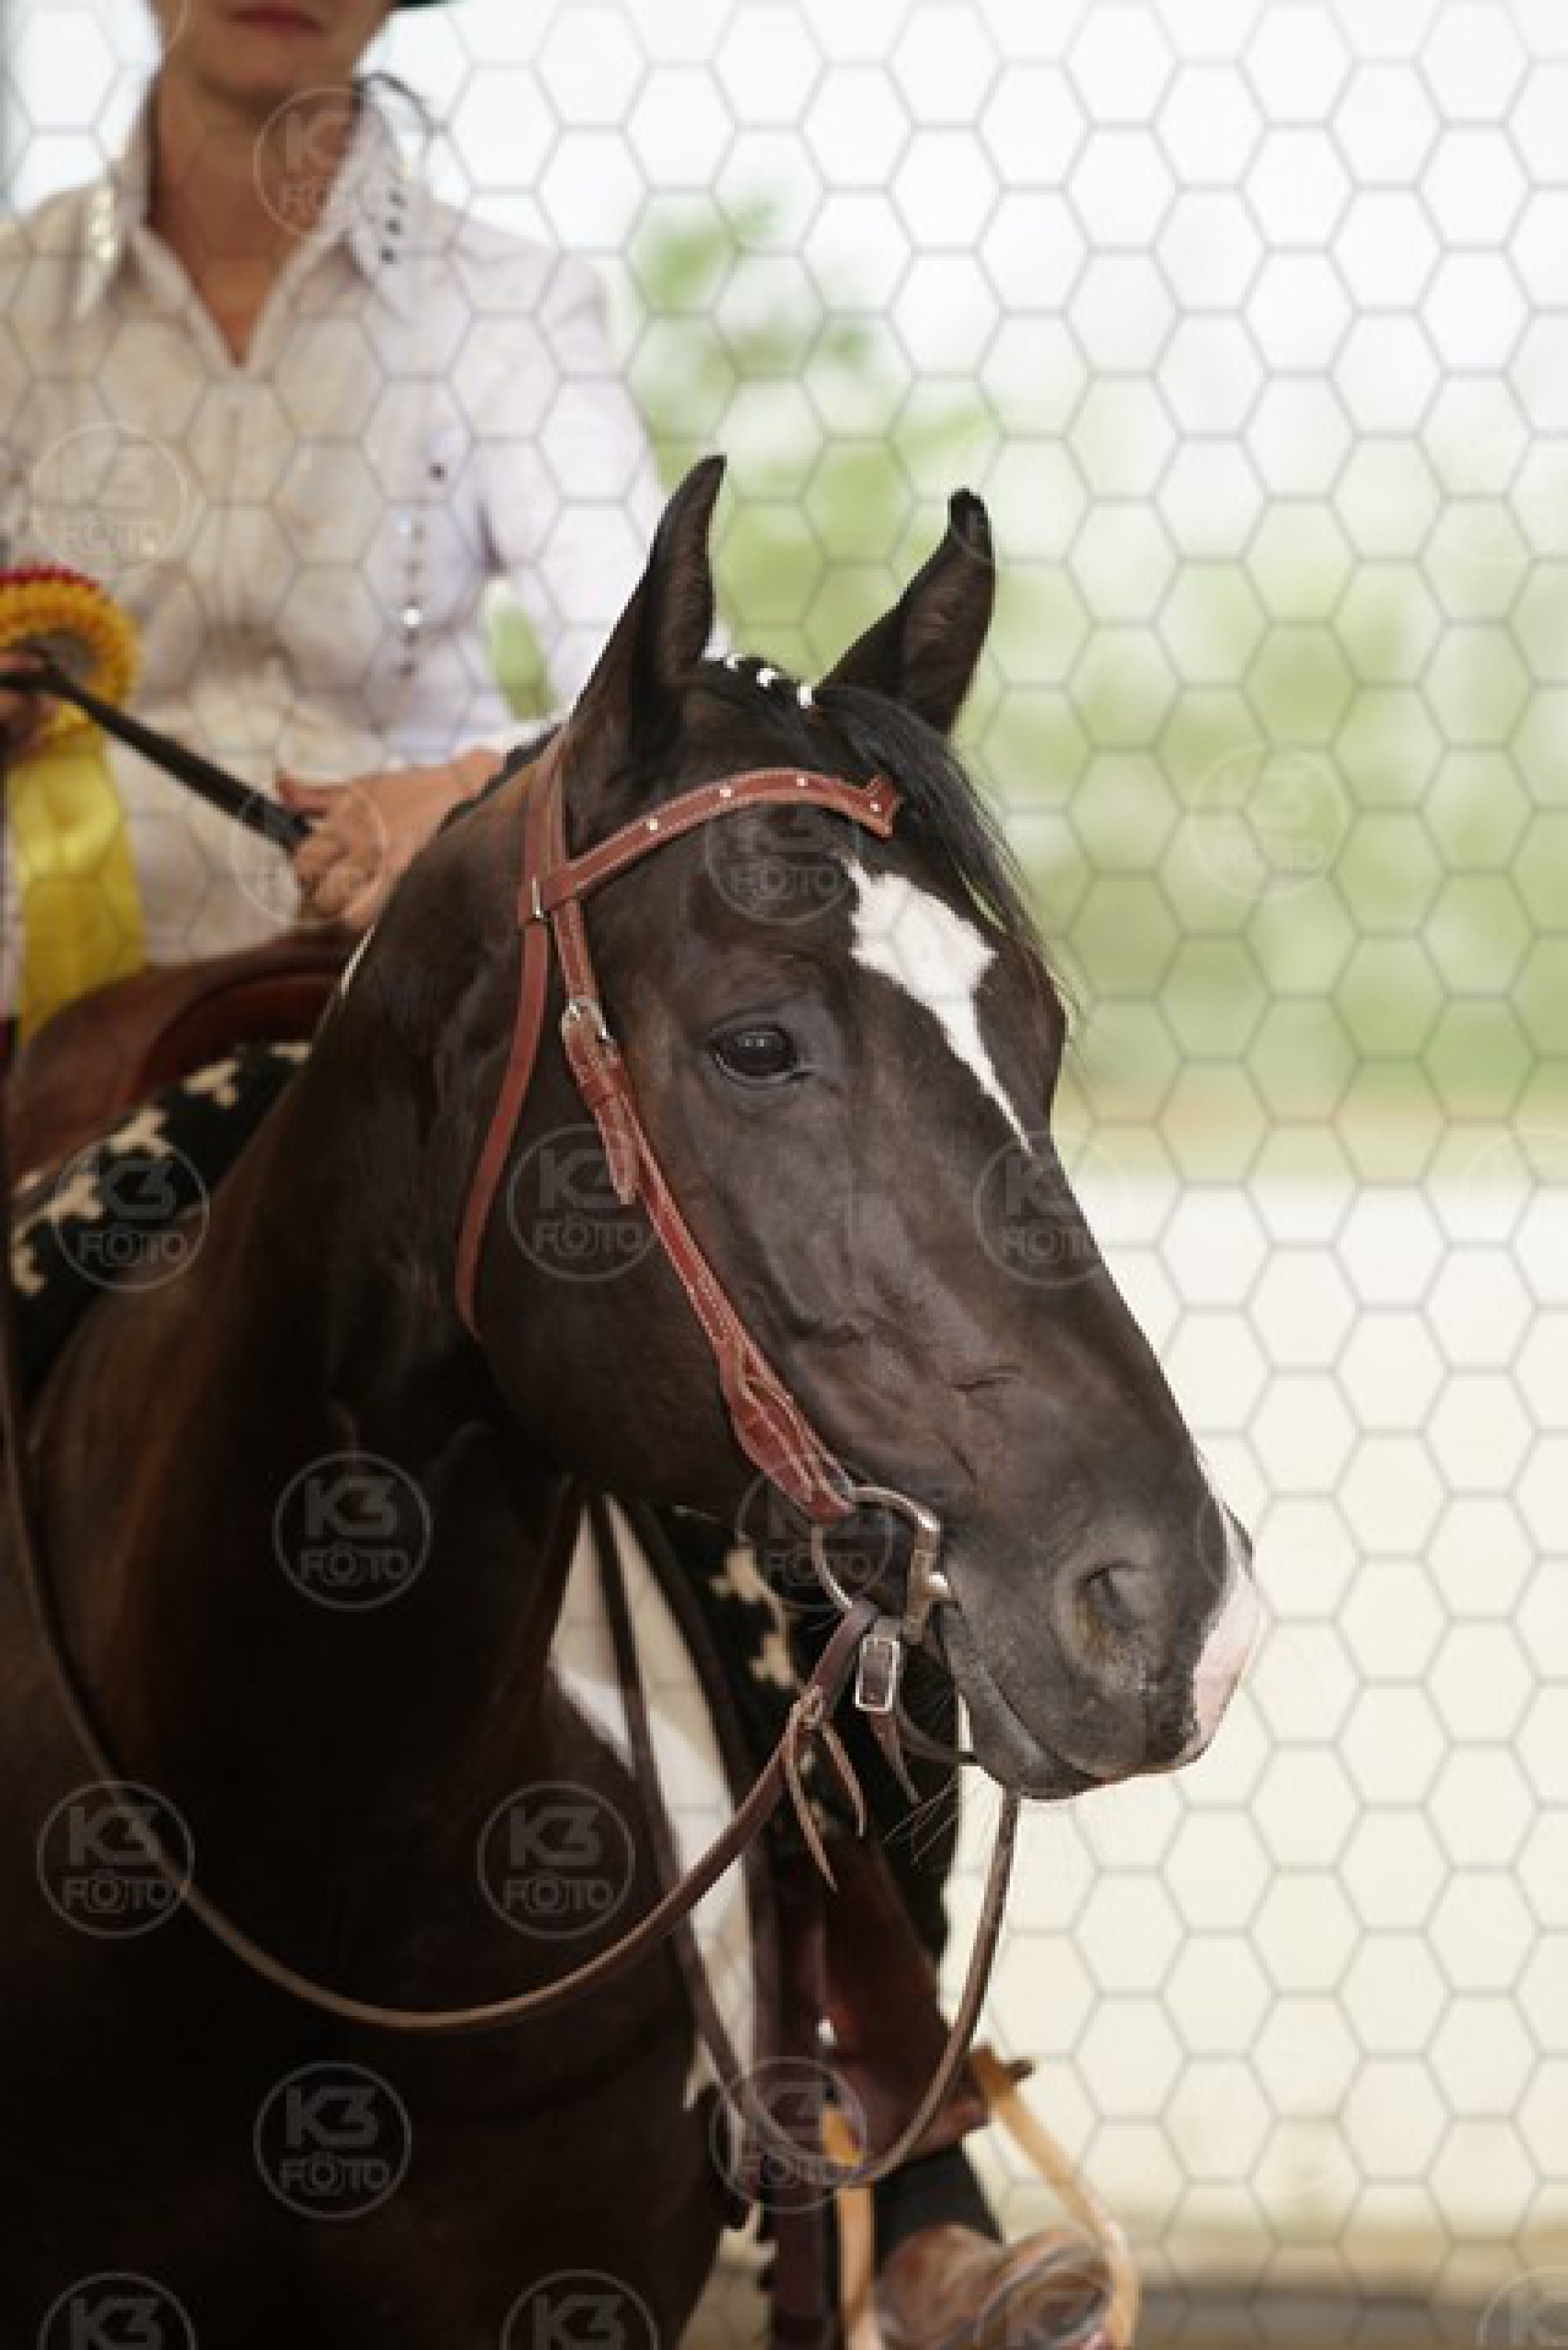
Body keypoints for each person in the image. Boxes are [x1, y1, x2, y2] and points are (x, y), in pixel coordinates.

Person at [0, 7, 1113, 2343]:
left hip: (418, 1038)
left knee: (761, 1449)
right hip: (63, 1027)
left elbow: (664, 700)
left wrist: (462, 803)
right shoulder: (12, 303)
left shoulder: (503, 307)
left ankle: (883, 2121)